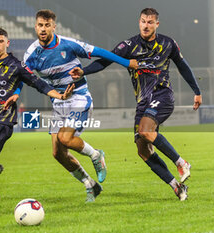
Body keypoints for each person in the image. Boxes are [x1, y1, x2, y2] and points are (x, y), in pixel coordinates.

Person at [69, 8, 202, 201]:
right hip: (143, 103)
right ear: (138, 22)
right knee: (143, 150)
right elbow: (104, 61)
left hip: (163, 95)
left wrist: (197, 91)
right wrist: (84, 72)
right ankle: (177, 187)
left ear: (157, 24)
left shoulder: (168, 43)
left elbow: (183, 66)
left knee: (146, 131)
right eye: (143, 21)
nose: (146, 25)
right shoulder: (129, 45)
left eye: (150, 22)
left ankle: (181, 162)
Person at [18, 9, 138, 202]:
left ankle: (96, 155)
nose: (43, 29)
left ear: (53, 27)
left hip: (79, 97)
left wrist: (126, 62)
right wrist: (15, 95)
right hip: (58, 102)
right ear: (35, 26)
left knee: (66, 138)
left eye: (47, 25)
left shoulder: (68, 44)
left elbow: (100, 52)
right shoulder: (31, 53)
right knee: (58, 153)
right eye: (40, 25)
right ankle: (90, 184)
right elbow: (23, 77)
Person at [0, 28, 74, 207]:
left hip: (2, 124)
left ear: (7, 43)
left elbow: (39, 84)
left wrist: (60, 96)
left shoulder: (17, 66)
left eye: (1, 41)